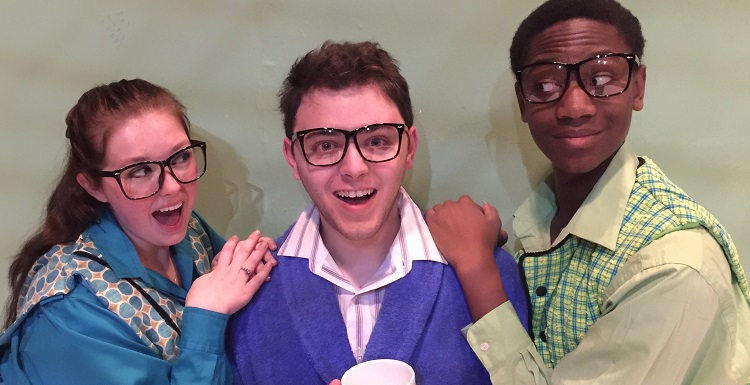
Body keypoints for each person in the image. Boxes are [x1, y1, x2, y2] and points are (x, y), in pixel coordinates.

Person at [425, 0, 750, 383]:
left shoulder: (673, 265)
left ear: (638, 87)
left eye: (601, 79)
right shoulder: (546, 216)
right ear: (523, 102)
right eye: (545, 84)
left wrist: (477, 266)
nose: (574, 106)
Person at [228, 41, 529, 385]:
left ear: (409, 147)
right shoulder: (250, 293)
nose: (354, 168)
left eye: (377, 141)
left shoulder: (490, 274)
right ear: (293, 156)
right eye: (325, 145)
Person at [0, 78, 276, 385]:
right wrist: (206, 315)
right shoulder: (69, 311)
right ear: (93, 186)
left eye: (181, 157)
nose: (173, 187)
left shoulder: (187, 231)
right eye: (140, 171)